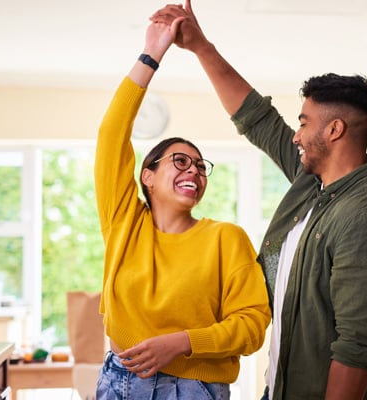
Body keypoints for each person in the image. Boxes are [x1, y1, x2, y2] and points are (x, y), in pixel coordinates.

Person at [152, 3, 367, 399]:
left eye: (304, 122)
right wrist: (202, 47)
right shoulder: (314, 184)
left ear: (335, 130)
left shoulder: (365, 218)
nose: (296, 134)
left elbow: (358, 348)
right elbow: (259, 121)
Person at [94, 14, 271, 400]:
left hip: (193, 389)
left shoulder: (226, 238)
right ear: (148, 176)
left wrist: (182, 342)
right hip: (118, 380)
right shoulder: (124, 223)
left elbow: (253, 324)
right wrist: (151, 53)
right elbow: (111, 135)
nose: (193, 169)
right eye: (179, 160)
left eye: (199, 165)